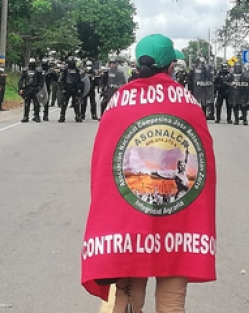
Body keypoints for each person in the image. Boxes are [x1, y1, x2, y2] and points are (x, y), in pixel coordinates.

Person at [81, 33, 217, 313]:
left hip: (129, 219)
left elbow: (104, 167)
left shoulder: (117, 102)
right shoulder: (189, 104)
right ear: (171, 67)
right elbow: (203, 167)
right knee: (171, 303)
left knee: (127, 298)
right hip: (178, 221)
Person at [18, 58, 44, 123]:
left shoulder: (38, 72)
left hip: (35, 89)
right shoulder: (25, 71)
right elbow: (20, 80)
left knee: (36, 104)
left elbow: (41, 81)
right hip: (27, 89)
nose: (32, 65)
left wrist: (39, 88)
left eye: (33, 63)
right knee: (26, 104)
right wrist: (21, 88)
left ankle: (36, 116)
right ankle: (25, 116)